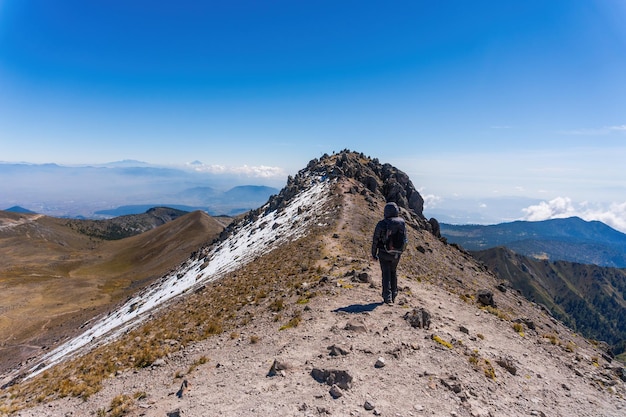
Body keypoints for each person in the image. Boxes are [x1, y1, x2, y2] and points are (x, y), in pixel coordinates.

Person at [371, 202, 406, 304]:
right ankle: (394, 294)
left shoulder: (382, 224)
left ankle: (387, 297)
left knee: (385, 273)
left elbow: (375, 240)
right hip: (397, 253)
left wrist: (374, 254)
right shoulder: (401, 222)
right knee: (393, 272)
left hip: (384, 252)